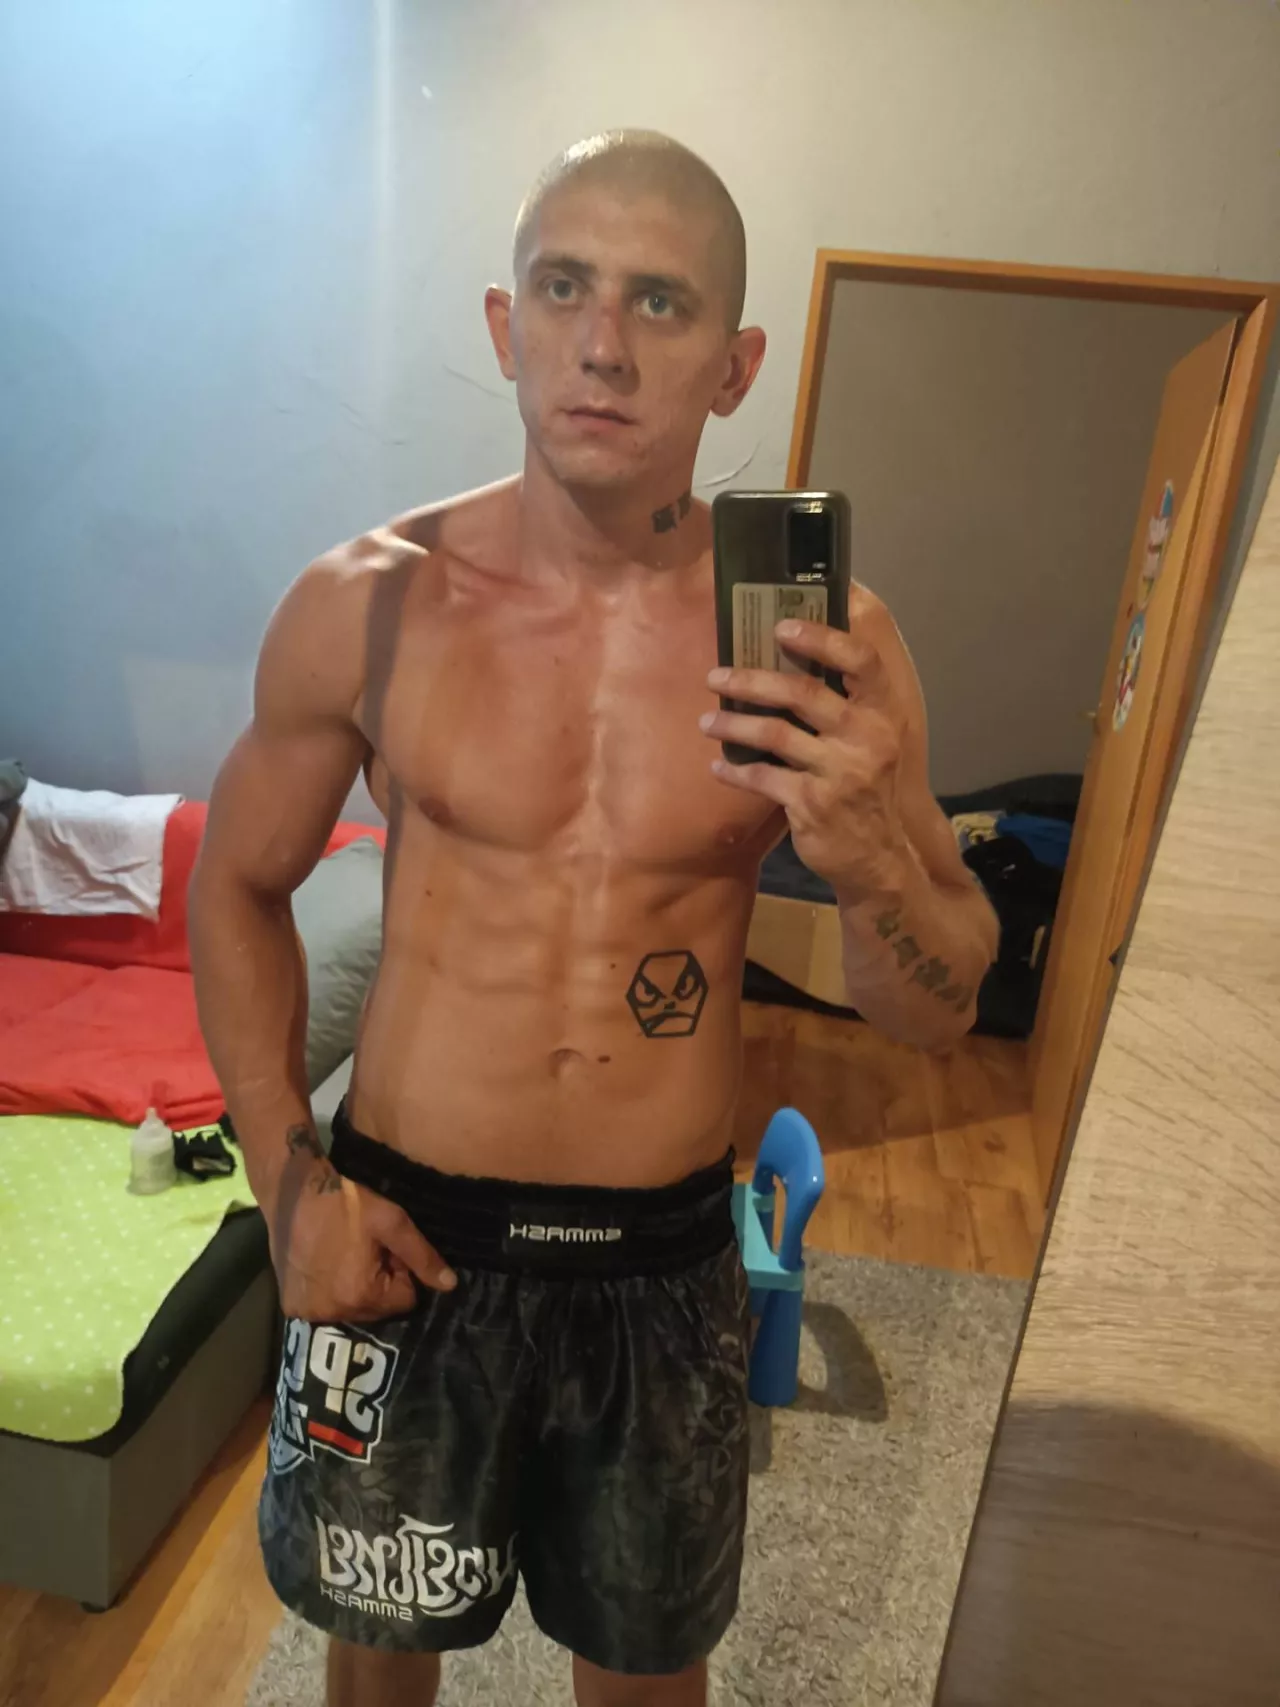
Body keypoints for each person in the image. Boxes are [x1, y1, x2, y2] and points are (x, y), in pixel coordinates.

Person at [189, 129, 997, 1707]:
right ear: (507, 326)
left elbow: (947, 1001)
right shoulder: (369, 602)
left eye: (660, 302)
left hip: (662, 1262)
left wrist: (868, 863)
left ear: (736, 365)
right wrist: (289, 1184)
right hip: (405, 1232)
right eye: (564, 289)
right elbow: (235, 881)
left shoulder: (828, 648)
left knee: (643, 1669)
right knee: (378, 1652)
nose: (604, 345)